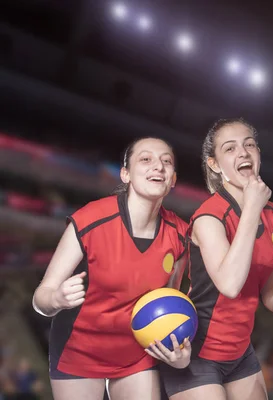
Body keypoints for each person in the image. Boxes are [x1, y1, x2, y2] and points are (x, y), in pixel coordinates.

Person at [160, 118, 273, 400]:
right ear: (214, 164)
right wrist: (251, 208)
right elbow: (230, 284)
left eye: (249, 144)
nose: (244, 152)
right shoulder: (208, 217)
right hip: (195, 350)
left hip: (240, 353)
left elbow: (270, 291)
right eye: (230, 148)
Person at [32, 137, 191, 400]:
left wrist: (180, 353)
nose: (158, 167)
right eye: (146, 159)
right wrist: (57, 299)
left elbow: (169, 303)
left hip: (138, 351)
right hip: (79, 350)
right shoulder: (90, 220)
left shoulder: (181, 235)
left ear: (173, 179)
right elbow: (41, 297)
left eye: (166, 162)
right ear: (125, 174)